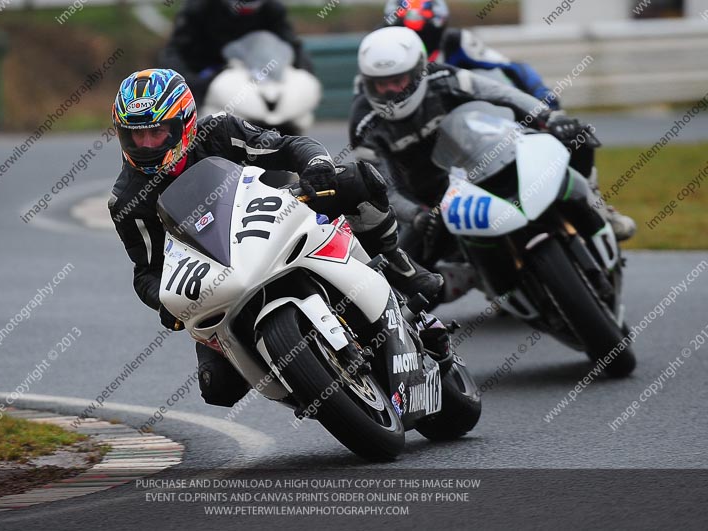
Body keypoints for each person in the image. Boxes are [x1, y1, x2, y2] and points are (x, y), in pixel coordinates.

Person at [108, 68, 442, 408]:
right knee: (217, 388)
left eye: (158, 132)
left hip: (278, 215)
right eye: (137, 136)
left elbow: (288, 146)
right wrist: (164, 302)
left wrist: (315, 164)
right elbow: (147, 271)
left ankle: (398, 266)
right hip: (221, 275)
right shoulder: (127, 201)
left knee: (357, 180)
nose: (148, 144)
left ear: (185, 122)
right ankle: (303, 381)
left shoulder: (219, 132)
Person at [348, 27, 636, 300]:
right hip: (429, 203)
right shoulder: (363, 123)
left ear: (419, 71)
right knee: (401, 273)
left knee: (578, 139)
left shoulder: (444, 77)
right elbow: (381, 188)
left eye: (397, 81)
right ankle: (470, 276)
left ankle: (597, 210)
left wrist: (549, 118)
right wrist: (417, 215)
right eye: (381, 84)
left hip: (478, 166)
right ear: (367, 82)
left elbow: (501, 94)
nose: (390, 92)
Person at [381, 0, 560, 109]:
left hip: (460, 127)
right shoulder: (380, 50)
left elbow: (513, 67)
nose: (418, 43)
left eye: (425, 34)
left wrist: (543, 99)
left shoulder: (455, 41)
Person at [159, 0, 313, 104]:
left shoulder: (271, 8)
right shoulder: (200, 7)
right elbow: (174, 51)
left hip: (256, 82)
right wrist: (191, 83)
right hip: (207, 82)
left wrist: (305, 75)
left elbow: (291, 45)